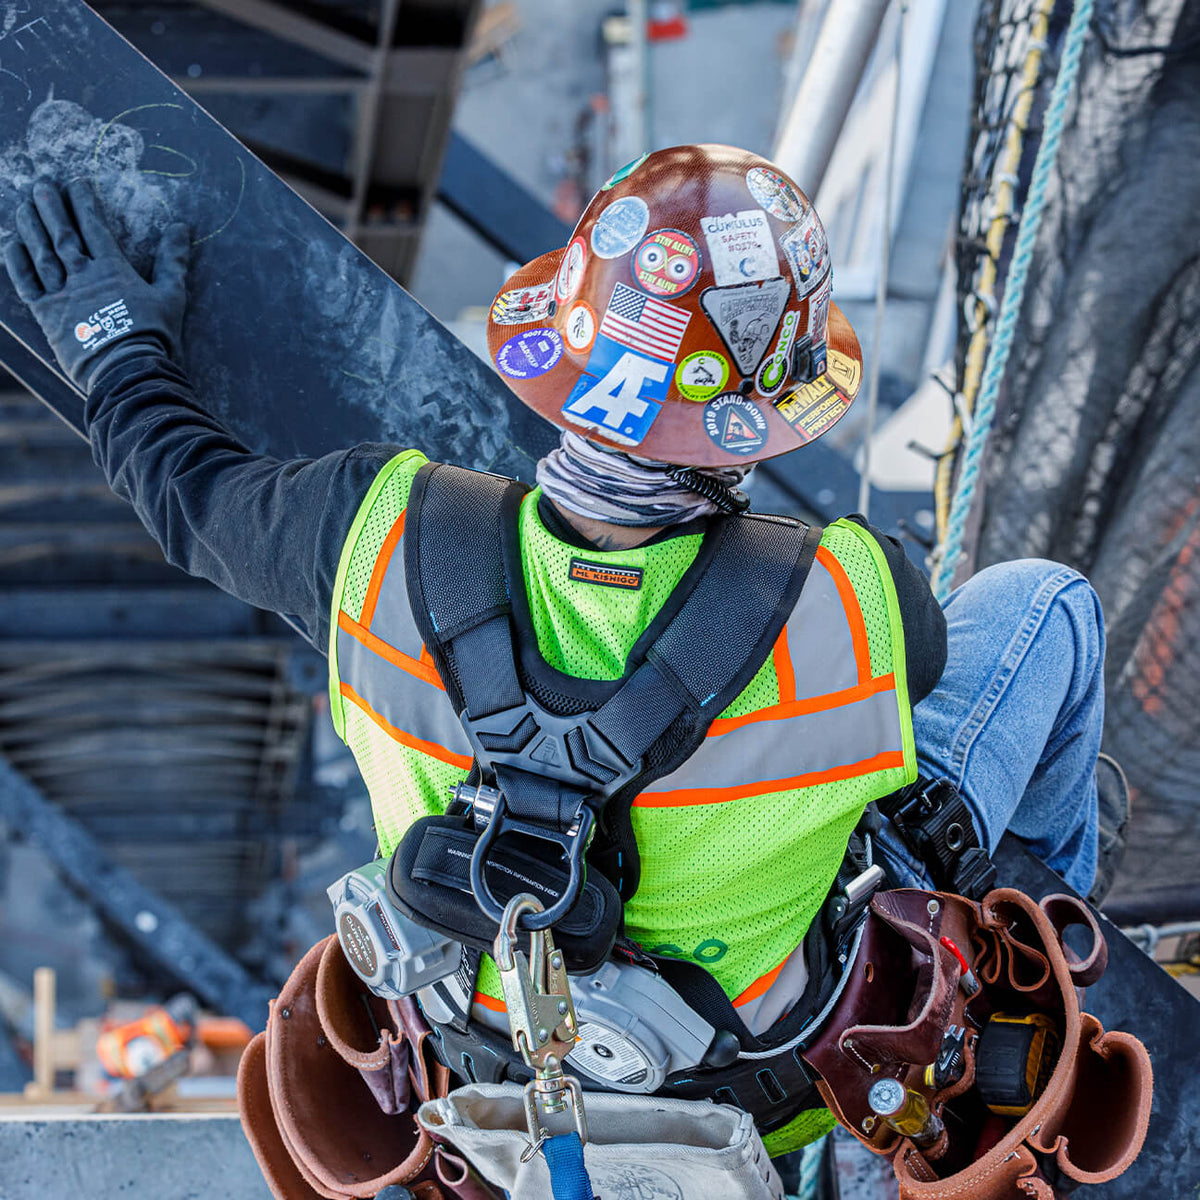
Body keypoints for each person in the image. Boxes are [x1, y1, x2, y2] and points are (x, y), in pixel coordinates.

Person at [3, 146, 1118, 1158]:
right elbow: (918, 667)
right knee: (1043, 604)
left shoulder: (369, 539)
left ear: (563, 334)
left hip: (491, 1078)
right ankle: (1056, 950)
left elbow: (186, 498)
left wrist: (110, 338)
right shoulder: (853, 595)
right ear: (766, 409)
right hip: (774, 1105)